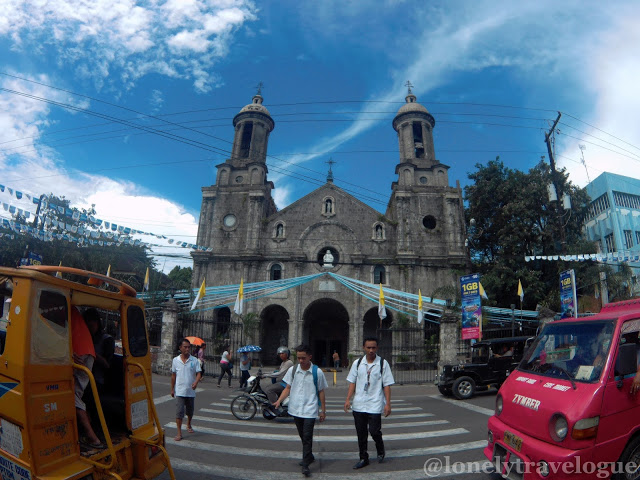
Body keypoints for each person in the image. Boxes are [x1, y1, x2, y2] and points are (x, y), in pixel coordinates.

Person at [274, 344, 327, 477]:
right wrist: (279, 400)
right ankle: (309, 456)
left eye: (303, 358)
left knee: (307, 436)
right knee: (303, 435)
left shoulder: (317, 372)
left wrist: (323, 410)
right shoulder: (293, 370)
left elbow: (321, 391)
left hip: (310, 409)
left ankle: (305, 465)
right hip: (295, 408)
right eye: (299, 358)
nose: (301, 361)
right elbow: (287, 388)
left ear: (310, 356)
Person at [344, 336, 395, 469]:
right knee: (361, 433)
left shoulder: (383, 363)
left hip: (375, 403)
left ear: (377, 348)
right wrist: (348, 399)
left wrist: (388, 403)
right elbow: (352, 382)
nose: (371, 350)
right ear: (363, 348)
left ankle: (380, 447)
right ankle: (363, 457)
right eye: (368, 347)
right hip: (359, 403)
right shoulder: (358, 363)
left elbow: (387, 385)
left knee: (374, 431)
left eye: (373, 347)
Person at [71, 307, 104, 449]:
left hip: (80, 353)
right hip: (87, 353)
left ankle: (92, 437)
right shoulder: (72, 311)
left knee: (72, 395)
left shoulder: (61, 306)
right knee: (78, 395)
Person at [171, 338, 202, 441]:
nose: (187, 349)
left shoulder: (194, 360)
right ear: (180, 348)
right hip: (180, 390)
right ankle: (179, 433)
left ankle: (188, 423)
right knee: (179, 412)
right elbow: (173, 376)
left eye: (189, 347)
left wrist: (196, 382)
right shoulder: (175, 360)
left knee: (190, 411)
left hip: (190, 391)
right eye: (185, 347)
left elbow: (198, 373)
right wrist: (172, 389)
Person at [84, 308, 115, 395]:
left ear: (97, 323)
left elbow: (107, 364)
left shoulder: (107, 340)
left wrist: (91, 353)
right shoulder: (85, 338)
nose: (88, 330)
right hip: (83, 377)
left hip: (97, 381)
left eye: (90, 326)